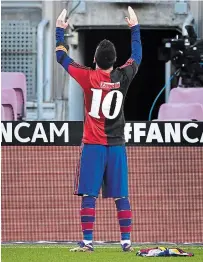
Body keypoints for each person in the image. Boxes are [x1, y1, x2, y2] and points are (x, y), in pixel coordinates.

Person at [56, 6, 142, 252]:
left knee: (89, 195)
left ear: (94, 60)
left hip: (93, 146)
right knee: (121, 196)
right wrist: (134, 28)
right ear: (115, 61)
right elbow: (137, 55)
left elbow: (61, 57)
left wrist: (59, 32)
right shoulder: (124, 76)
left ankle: (88, 242)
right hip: (116, 146)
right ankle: (126, 242)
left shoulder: (87, 77)